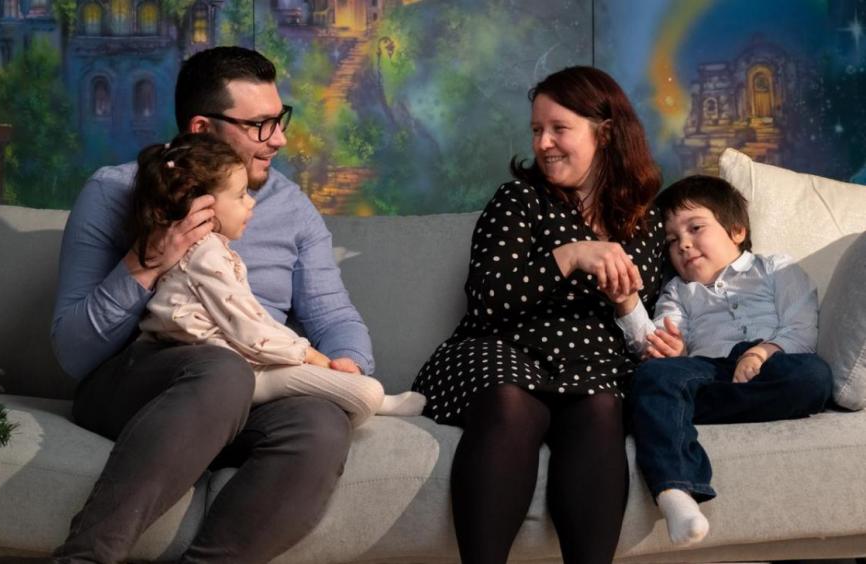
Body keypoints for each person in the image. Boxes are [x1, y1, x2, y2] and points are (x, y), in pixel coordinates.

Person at [51, 47, 375, 563]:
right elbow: (73, 354)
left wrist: (346, 368)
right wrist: (146, 262)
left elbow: (334, 316)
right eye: (261, 125)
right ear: (202, 129)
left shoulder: (291, 206)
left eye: (281, 119)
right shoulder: (115, 192)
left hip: (255, 385)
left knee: (321, 425)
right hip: (143, 383)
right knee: (223, 371)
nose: (280, 139)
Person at [411, 66, 666, 564]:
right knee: (510, 401)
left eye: (558, 129)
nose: (543, 143)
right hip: (502, 351)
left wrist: (648, 327)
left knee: (600, 409)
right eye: (536, 130)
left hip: (592, 366)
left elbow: (644, 320)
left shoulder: (647, 220)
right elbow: (487, 300)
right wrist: (569, 256)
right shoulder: (519, 200)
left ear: (604, 133)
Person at [133, 133, 425, 425]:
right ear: (201, 205)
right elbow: (249, 329)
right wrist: (309, 355)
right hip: (228, 370)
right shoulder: (206, 256)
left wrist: (316, 357)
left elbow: (264, 317)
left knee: (344, 389)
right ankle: (369, 401)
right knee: (367, 392)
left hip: (238, 362)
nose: (251, 204)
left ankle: (356, 397)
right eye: (240, 195)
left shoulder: (213, 251)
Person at [610, 175, 833, 547]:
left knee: (814, 375)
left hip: (770, 366)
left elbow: (801, 327)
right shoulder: (678, 291)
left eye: (695, 228)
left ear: (737, 230)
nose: (683, 244)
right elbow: (658, 341)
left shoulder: (774, 268)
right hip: (707, 370)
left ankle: (674, 409)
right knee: (654, 376)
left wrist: (760, 352)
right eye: (671, 240)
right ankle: (675, 490)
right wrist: (629, 306)